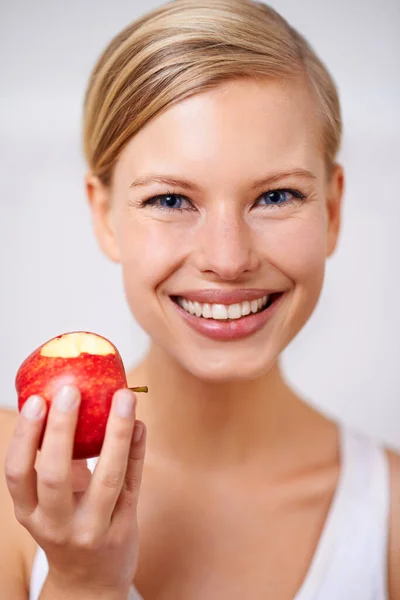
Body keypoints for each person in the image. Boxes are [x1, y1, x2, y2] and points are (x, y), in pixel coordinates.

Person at [1, 0, 399, 598]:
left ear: (333, 211)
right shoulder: (16, 481)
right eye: (170, 200)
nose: (228, 257)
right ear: (104, 214)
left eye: (276, 196)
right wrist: (82, 581)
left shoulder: (389, 519)